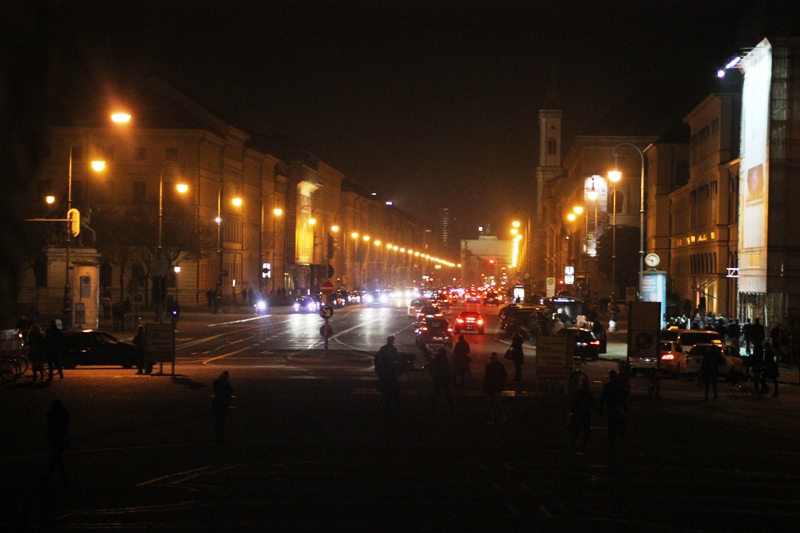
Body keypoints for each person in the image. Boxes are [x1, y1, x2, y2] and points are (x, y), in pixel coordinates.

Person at [40, 400, 70, 486]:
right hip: (61, 442)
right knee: (55, 460)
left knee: (56, 460)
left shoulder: (56, 419)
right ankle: (47, 477)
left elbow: (52, 429)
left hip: (57, 442)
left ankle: (63, 480)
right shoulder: (64, 418)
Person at [600, 370, 627, 449]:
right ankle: (615, 441)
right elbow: (623, 399)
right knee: (618, 425)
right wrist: (625, 410)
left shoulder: (607, 386)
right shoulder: (619, 386)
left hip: (609, 409)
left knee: (611, 426)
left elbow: (603, 398)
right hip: (617, 409)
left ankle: (611, 442)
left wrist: (601, 408)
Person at [374, 336, 401, 416]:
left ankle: (384, 406)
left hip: (385, 372)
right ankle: (388, 407)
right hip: (387, 372)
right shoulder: (391, 349)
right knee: (390, 390)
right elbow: (395, 358)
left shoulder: (384, 348)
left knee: (387, 391)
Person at [570, 377, 598, 451]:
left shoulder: (578, 392)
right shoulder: (588, 394)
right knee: (586, 429)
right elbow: (593, 404)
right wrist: (598, 411)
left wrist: (573, 412)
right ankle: (585, 443)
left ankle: (574, 442)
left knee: (577, 428)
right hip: (586, 413)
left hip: (578, 412)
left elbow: (574, 403)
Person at [483, 352, 507, 424]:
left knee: (496, 404)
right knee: (491, 404)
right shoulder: (495, 366)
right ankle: (497, 418)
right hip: (492, 388)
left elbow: (503, 376)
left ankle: (498, 417)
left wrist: (500, 386)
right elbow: (486, 378)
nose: (492, 359)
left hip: (495, 387)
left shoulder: (492, 366)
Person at [212, 371, 234, 445]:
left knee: (219, 422)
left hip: (218, 404)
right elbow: (231, 391)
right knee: (220, 423)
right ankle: (219, 439)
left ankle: (218, 438)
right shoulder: (223, 384)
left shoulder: (217, 382)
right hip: (222, 404)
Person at [430, 348, 454, 413]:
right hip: (443, 378)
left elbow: (433, 369)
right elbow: (448, 369)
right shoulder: (444, 359)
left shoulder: (436, 359)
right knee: (447, 393)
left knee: (436, 392)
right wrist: (450, 377)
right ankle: (451, 406)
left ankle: (433, 406)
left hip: (438, 378)